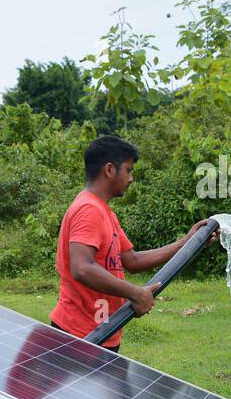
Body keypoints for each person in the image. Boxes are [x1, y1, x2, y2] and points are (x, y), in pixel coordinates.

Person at [50, 134, 213, 352]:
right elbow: (82, 268)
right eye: (128, 170)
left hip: (104, 331)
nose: (131, 178)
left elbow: (133, 260)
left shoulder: (105, 212)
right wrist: (136, 293)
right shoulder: (88, 209)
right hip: (80, 336)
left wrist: (187, 242)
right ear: (109, 170)